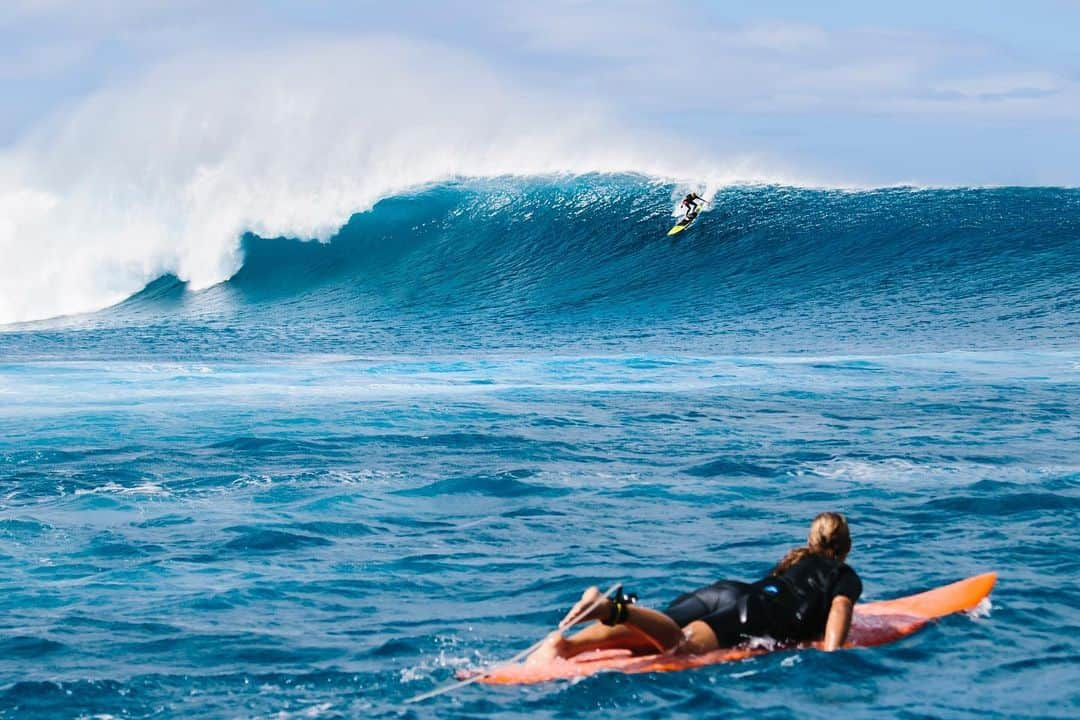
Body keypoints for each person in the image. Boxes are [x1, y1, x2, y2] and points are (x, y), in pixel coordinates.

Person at [530, 512, 861, 662]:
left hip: (727, 590)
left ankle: (566, 646)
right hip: (754, 612)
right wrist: (832, 657)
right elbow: (841, 608)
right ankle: (611, 608)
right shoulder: (842, 573)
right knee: (680, 646)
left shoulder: (793, 560)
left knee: (657, 630)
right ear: (845, 548)